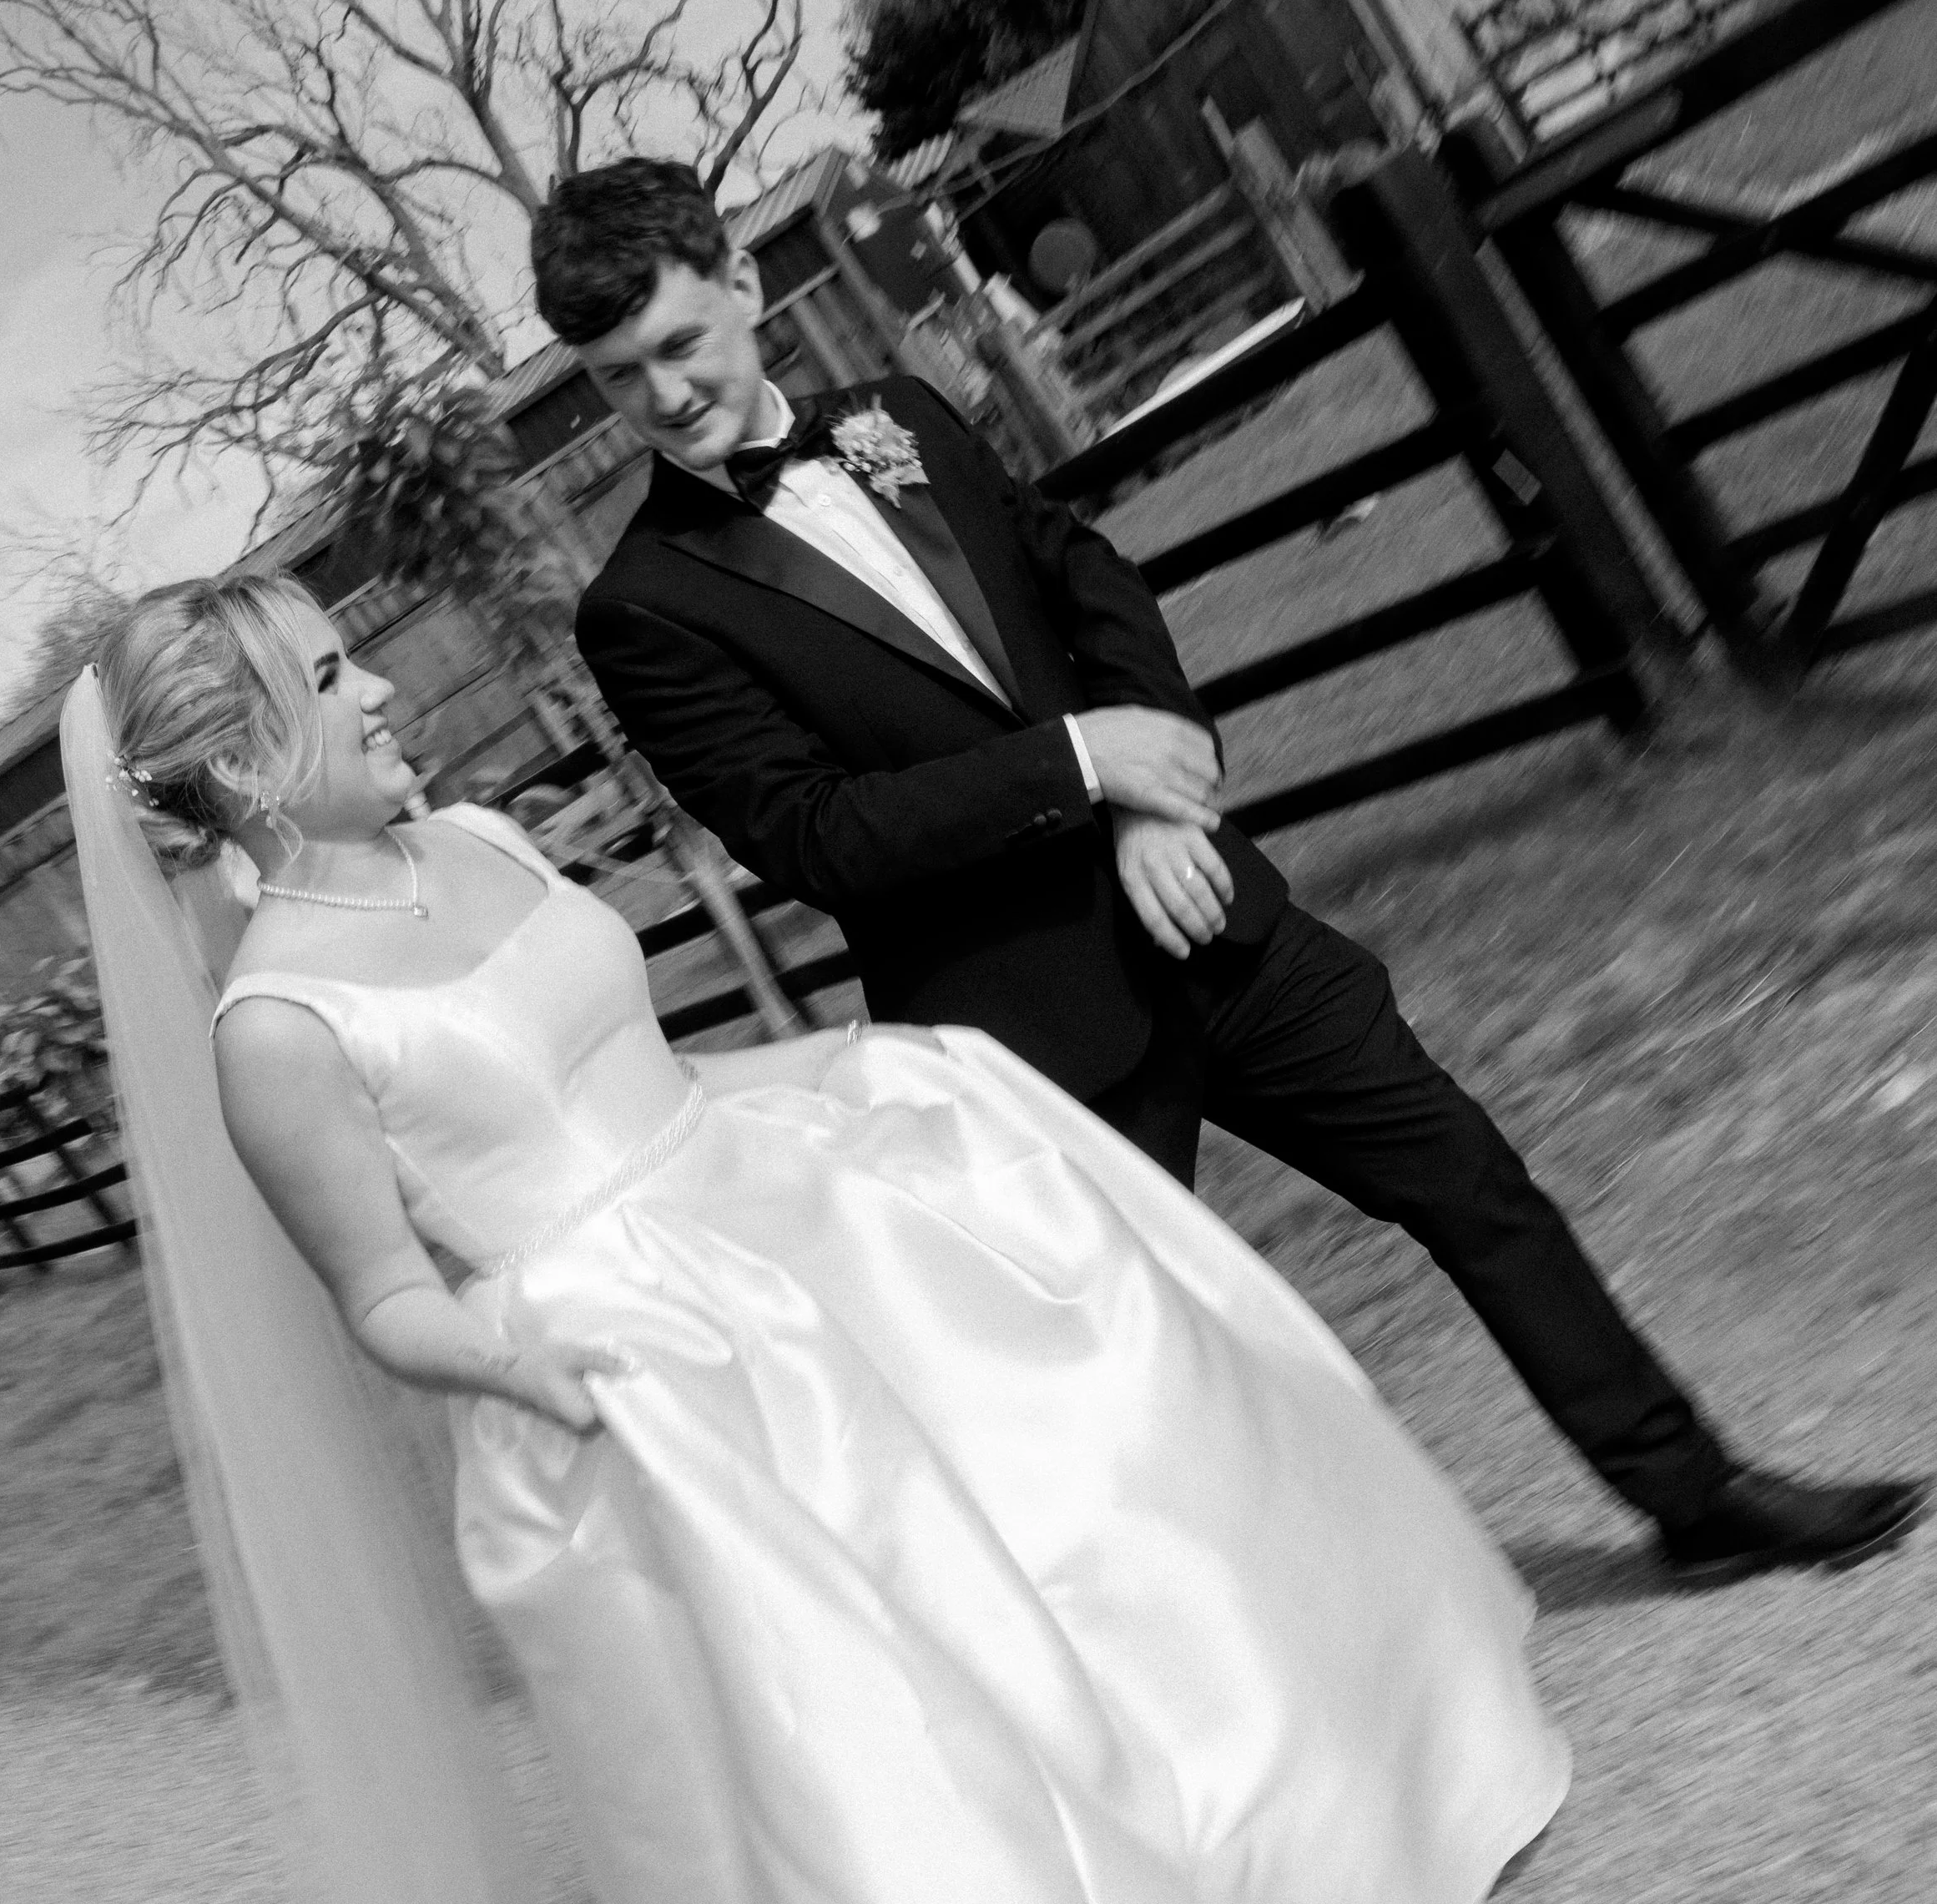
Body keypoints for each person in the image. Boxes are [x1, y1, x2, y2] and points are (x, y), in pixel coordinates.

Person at [72, 569, 1567, 1904]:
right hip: (622, 1403)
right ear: (252, 763)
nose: (380, 684)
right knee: (873, 1803)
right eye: (334, 675)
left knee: (1064, 1571)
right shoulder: (279, 1030)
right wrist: (568, 1355)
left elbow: (651, 1083)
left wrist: (853, 1095)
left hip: (764, 1229)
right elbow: (389, 1307)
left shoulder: (487, 836)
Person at [542, 158, 1926, 1591]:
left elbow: (1083, 572)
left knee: (1468, 1179)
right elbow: (818, 835)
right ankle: (1241, 1699)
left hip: (1208, 914)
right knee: (1148, 1382)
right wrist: (1084, 765)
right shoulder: (643, 607)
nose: (664, 395)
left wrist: (1158, 802)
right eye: (617, 377)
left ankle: (1696, 1499)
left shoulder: (900, 418)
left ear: (746, 285)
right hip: (1027, 1028)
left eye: (679, 343)